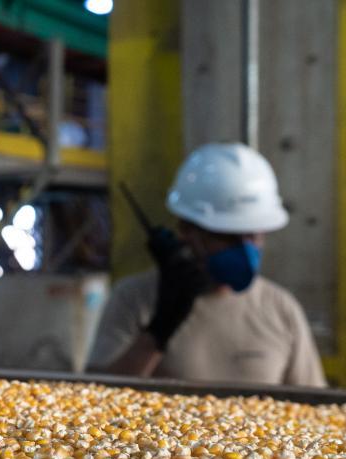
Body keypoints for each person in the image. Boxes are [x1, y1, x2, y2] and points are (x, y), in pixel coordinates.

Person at [89, 142, 326, 386]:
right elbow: (96, 396)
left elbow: (312, 402)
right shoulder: (134, 300)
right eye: (228, 236)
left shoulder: (281, 309)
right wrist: (158, 332)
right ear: (186, 230)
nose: (245, 249)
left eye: (253, 235)